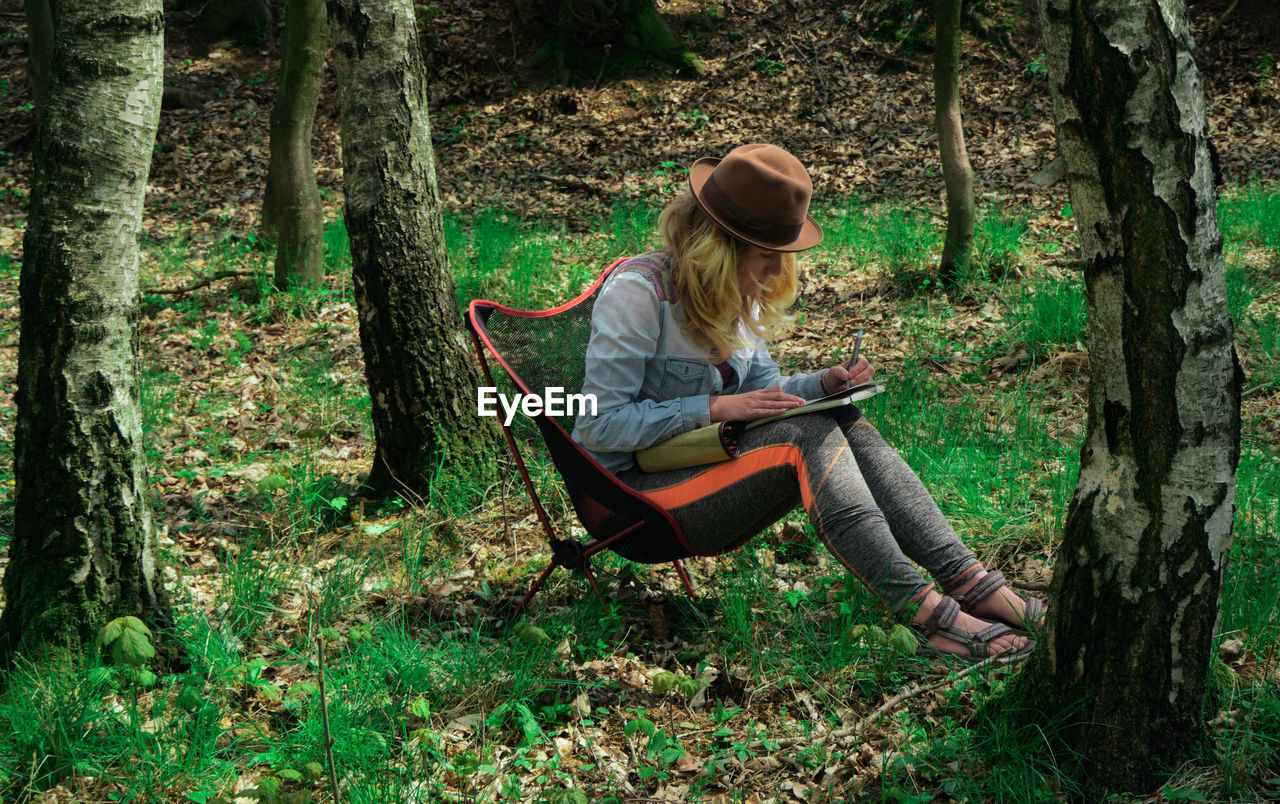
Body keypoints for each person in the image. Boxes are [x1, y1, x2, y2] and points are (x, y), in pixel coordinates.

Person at [572, 144, 1045, 660]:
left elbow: (767, 399)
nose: (778, 271)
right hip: (634, 502)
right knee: (805, 438)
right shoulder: (639, 296)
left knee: (838, 415)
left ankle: (974, 584)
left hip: (706, 466)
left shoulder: (732, 291)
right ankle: (930, 617)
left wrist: (822, 386)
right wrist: (711, 409)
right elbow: (595, 428)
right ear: (719, 246)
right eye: (766, 254)